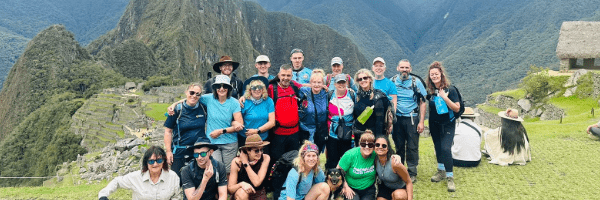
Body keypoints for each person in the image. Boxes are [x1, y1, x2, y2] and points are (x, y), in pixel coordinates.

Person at [170, 75, 244, 173]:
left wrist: (222, 131)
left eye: (224, 86)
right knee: (216, 169)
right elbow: (192, 98)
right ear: (215, 88)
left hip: (230, 142)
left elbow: (240, 125)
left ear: (229, 88)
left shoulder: (234, 103)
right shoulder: (209, 99)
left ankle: (227, 188)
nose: (221, 89)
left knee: (228, 171)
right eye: (219, 86)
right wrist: (174, 104)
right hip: (213, 143)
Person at [425, 61, 460, 192]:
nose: (434, 76)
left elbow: (457, 108)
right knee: (438, 147)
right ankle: (441, 171)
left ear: (441, 74)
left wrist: (445, 98)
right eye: (432, 74)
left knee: (446, 148)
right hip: (434, 124)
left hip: (448, 124)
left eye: (436, 74)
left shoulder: (451, 90)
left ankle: (450, 177)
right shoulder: (431, 91)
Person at [98, 146, 180, 200]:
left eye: (159, 160)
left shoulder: (173, 177)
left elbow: (177, 196)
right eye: (151, 161)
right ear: (146, 163)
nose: (155, 164)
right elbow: (117, 181)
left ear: (164, 161)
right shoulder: (136, 177)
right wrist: (103, 195)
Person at [391, 59, 427, 183]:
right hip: (397, 118)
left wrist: (421, 121)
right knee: (399, 145)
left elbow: (422, 102)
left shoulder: (416, 82)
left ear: (410, 69)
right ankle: (400, 170)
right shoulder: (392, 81)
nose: (404, 70)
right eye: (402, 67)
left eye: (406, 68)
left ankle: (412, 172)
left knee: (412, 146)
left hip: (412, 117)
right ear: (398, 68)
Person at [164, 83, 208, 180]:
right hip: (180, 151)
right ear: (186, 92)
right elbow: (168, 131)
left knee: (198, 180)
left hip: (198, 152)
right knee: (177, 180)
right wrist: (168, 151)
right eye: (191, 93)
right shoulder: (177, 110)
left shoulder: (203, 108)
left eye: (197, 94)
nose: (194, 96)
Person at [266, 64, 305, 168]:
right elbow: (256, 93)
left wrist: (321, 86)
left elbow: (305, 87)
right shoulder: (271, 88)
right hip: (278, 134)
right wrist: (243, 97)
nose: (285, 78)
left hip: (294, 133)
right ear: (278, 75)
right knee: (277, 162)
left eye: (288, 75)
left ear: (292, 76)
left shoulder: (294, 86)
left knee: (293, 162)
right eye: (283, 75)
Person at [325, 74, 356, 169]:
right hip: (332, 132)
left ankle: (346, 180)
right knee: (332, 158)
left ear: (347, 83)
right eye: (339, 82)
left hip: (348, 132)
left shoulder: (352, 94)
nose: (341, 84)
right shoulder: (330, 95)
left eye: (343, 82)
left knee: (346, 157)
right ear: (334, 84)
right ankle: (331, 179)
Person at [228, 134, 272, 200]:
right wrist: (241, 184)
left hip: (258, 192)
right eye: (256, 150)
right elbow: (230, 189)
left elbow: (256, 183)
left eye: (261, 150)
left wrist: (246, 163)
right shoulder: (237, 162)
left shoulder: (265, 158)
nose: (260, 153)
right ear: (248, 151)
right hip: (243, 192)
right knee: (241, 193)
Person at [338, 131, 377, 200]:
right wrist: (345, 186)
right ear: (359, 144)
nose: (367, 147)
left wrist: (396, 156)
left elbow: (387, 154)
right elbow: (338, 170)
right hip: (351, 187)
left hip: (368, 189)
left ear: (374, 146)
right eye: (363, 144)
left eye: (370, 145)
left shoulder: (375, 155)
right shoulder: (350, 154)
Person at [238, 76, 275, 148]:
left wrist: (257, 131)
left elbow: (272, 122)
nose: (257, 89)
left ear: (263, 89)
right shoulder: (244, 102)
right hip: (246, 138)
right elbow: (238, 120)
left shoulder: (268, 101)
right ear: (250, 90)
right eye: (254, 87)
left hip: (262, 138)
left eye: (260, 87)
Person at [353, 69, 389, 140]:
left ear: (370, 79)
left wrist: (378, 139)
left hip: (373, 135)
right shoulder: (357, 96)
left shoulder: (377, 96)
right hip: (360, 135)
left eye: (365, 78)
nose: (363, 80)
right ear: (358, 81)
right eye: (360, 79)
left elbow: (380, 122)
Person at [374, 136, 413, 200]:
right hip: (385, 189)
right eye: (377, 145)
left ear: (388, 148)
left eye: (384, 146)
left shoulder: (395, 163)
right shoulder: (375, 160)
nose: (380, 147)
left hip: (399, 189)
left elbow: (409, 182)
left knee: (398, 195)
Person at [298, 69, 329, 151]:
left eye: (319, 82)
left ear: (323, 84)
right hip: (306, 130)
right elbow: (294, 85)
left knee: (317, 154)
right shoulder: (304, 91)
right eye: (314, 82)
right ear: (310, 83)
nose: (316, 85)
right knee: (307, 153)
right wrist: (308, 85)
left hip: (320, 130)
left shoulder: (325, 93)